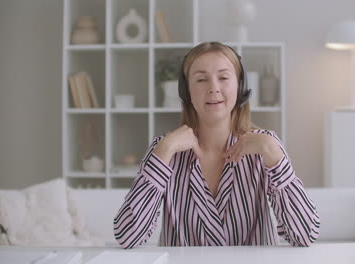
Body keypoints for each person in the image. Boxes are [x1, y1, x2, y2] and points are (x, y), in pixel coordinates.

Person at [113, 41, 320, 248]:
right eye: (201, 79)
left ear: (240, 86)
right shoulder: (165, 149)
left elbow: (305, 235)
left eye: (223, 78)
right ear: (186, 92)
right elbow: (128, 236)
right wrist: (164, 152)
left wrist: (274, 155)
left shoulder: (265, 147)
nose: (213, 88)